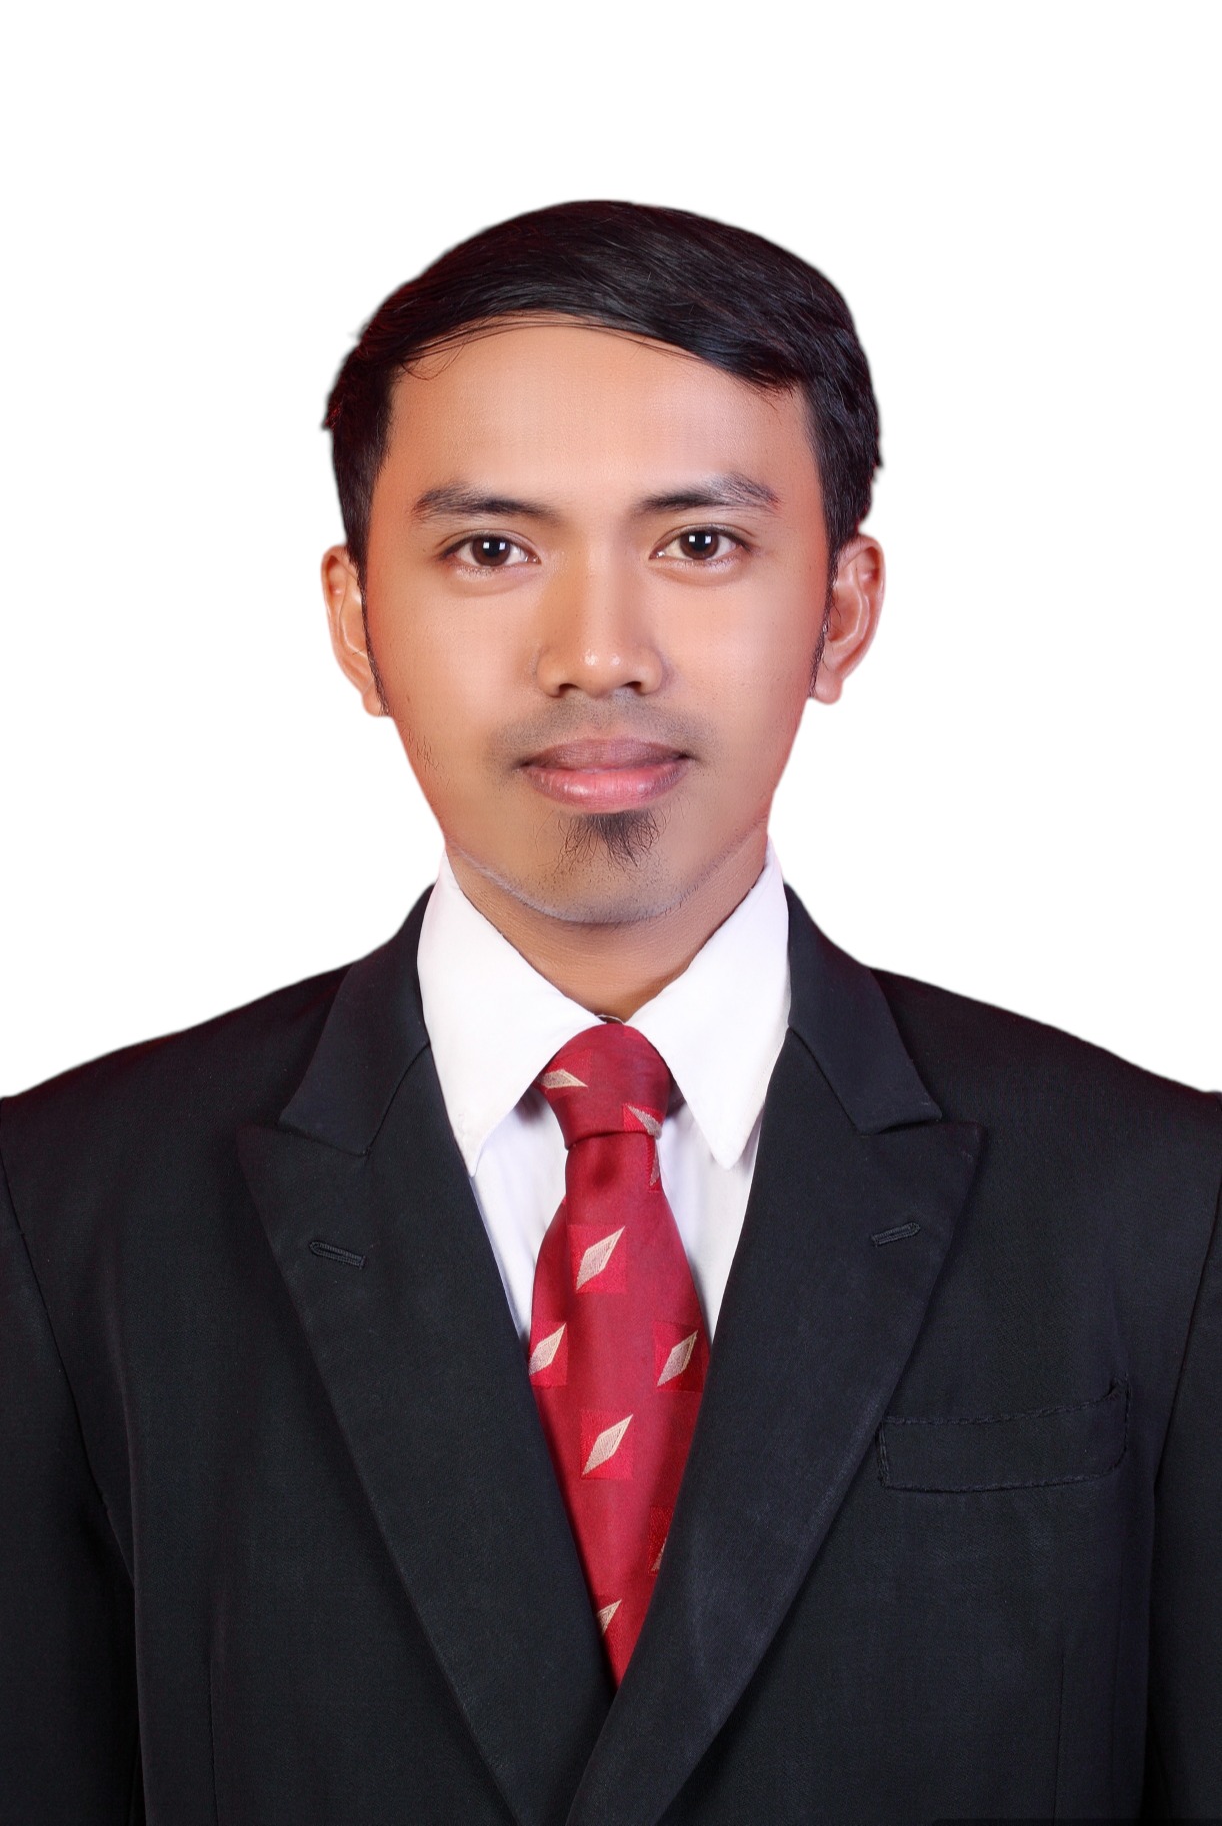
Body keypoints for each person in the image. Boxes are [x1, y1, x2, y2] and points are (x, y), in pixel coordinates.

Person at [1, 200, 1218, 1826]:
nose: (597, 654)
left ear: (841, 606)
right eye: (490, 550)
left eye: (698, 544)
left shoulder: (1157, 1205)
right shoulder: (65, 1209)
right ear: (357, 621)